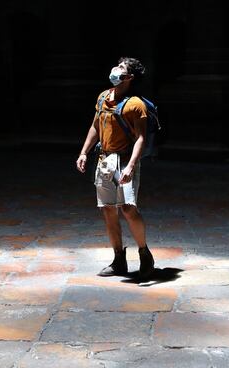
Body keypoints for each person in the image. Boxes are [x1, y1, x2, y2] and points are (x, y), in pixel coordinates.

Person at [76, 57, 155, 279]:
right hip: (104, 160)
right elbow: (95, 126)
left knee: (128, 208)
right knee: (107, 209)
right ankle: (118, 259)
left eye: (121, 68)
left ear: (129, 77)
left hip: (124, 160)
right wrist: (84, 152)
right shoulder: (103, 97)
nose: (115, 70)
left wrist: (131, 165)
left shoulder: (135, 104)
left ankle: (144, 253)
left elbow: (140, 138)